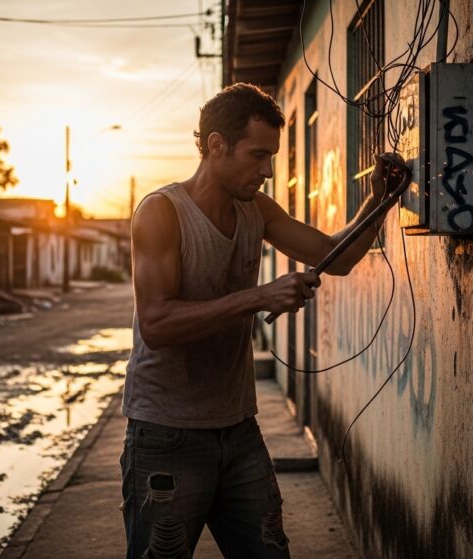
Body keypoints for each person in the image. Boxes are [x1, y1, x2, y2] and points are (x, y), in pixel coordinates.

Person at [120, 82, 410, 558]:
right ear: (217, 145)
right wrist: (258, 297)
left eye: (271, 156)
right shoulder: (161, 212)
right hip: (165, 433)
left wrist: (380, 200)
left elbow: (334, 256)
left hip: (238, 428)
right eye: (258, 155)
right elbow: (156, 324)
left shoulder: (255, 209)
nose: (269, 171)